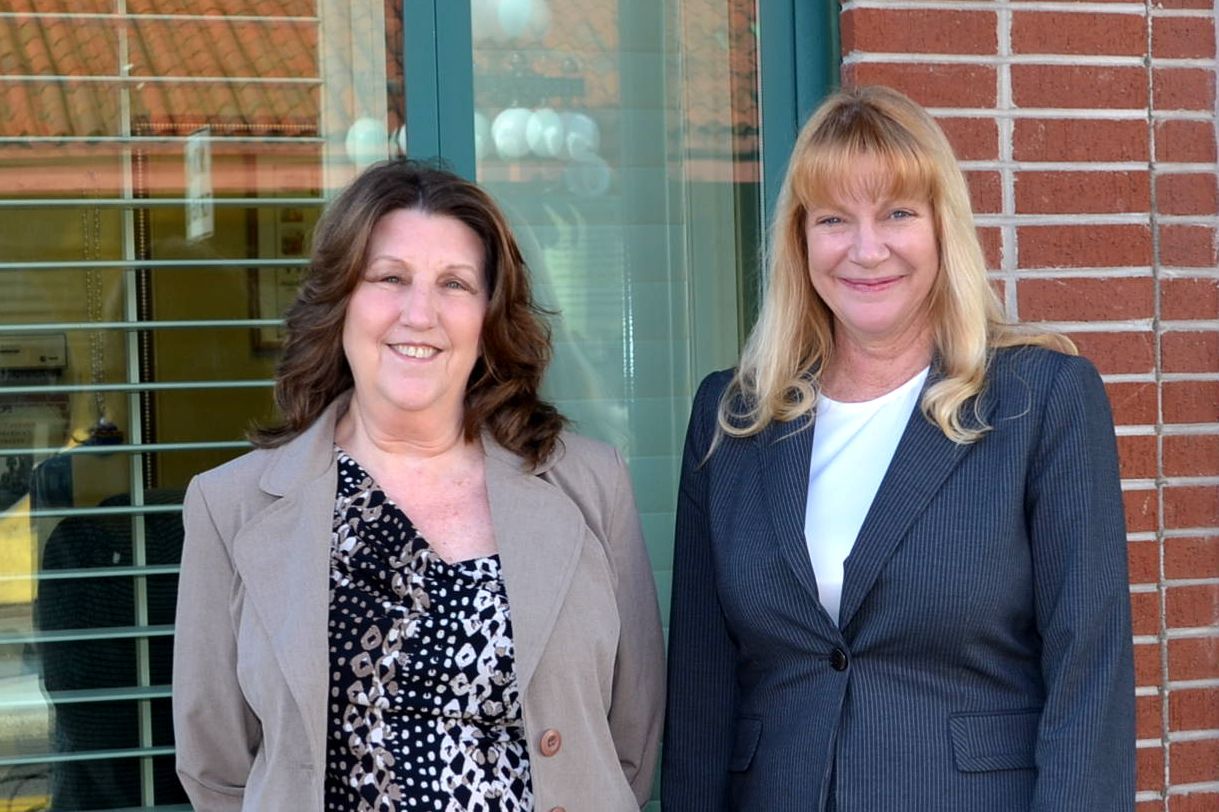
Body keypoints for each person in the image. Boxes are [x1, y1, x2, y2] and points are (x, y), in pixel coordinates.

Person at [661, 85, 1135, 811]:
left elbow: (1088, 674)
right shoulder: (732, 418)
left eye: (897, 214)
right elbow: (701, 683)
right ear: (799, 239)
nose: (866, 249)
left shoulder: (1040, 399)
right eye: (833, 219)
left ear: (943, 228)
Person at [172, 160, 665, 811]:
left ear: (488, 316)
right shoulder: (230, 506)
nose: (420, 313)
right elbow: (217, 770)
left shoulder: (591, 483)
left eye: (454, 284)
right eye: (390, 278)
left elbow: (629, 743)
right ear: (340, 300)